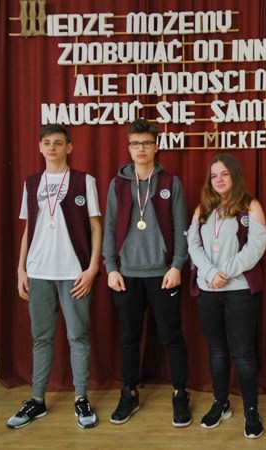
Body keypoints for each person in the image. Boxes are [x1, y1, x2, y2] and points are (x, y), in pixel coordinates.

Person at [6, 124, 102, 430]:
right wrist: (21, 269)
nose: (52, 148)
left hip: (74, 272)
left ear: (69, 148)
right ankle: (37, 400)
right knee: (41, 338)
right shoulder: (31, 183)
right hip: (38, 271)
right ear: (40, 147)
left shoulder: (84, 181)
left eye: (58, 143)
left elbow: (96, 227)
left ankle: (81, 398)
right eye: (46, 142)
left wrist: (93, 268)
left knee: (78, 336)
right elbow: (28, 230)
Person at [102, 118, 191, 427]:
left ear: (156, 147)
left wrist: (177, 265)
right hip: (126, 275)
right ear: (129, 147)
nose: (141, 148)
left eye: (147, 143)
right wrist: (110, 268)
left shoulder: (170, 183)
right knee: (129, 337)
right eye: (135, 143)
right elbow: (109, 228)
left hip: (164, 274)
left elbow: (182, 228)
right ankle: (129, 393)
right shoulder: (118, 184)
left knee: (172, 336)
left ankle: (180, 394)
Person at [186, 153, 266, 439]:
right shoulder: (203, 208)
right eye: (214, 175)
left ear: (234, 175)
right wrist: (210, 273)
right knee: (217, 351)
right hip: (208, 291)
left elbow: (255, 248)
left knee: (243, 354)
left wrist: (224, 272)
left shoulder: (250, 206)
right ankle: (220, 404)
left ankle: (251, 410)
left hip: (239, 291)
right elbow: (193, 244)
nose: (219, 180)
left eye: (224, 174)